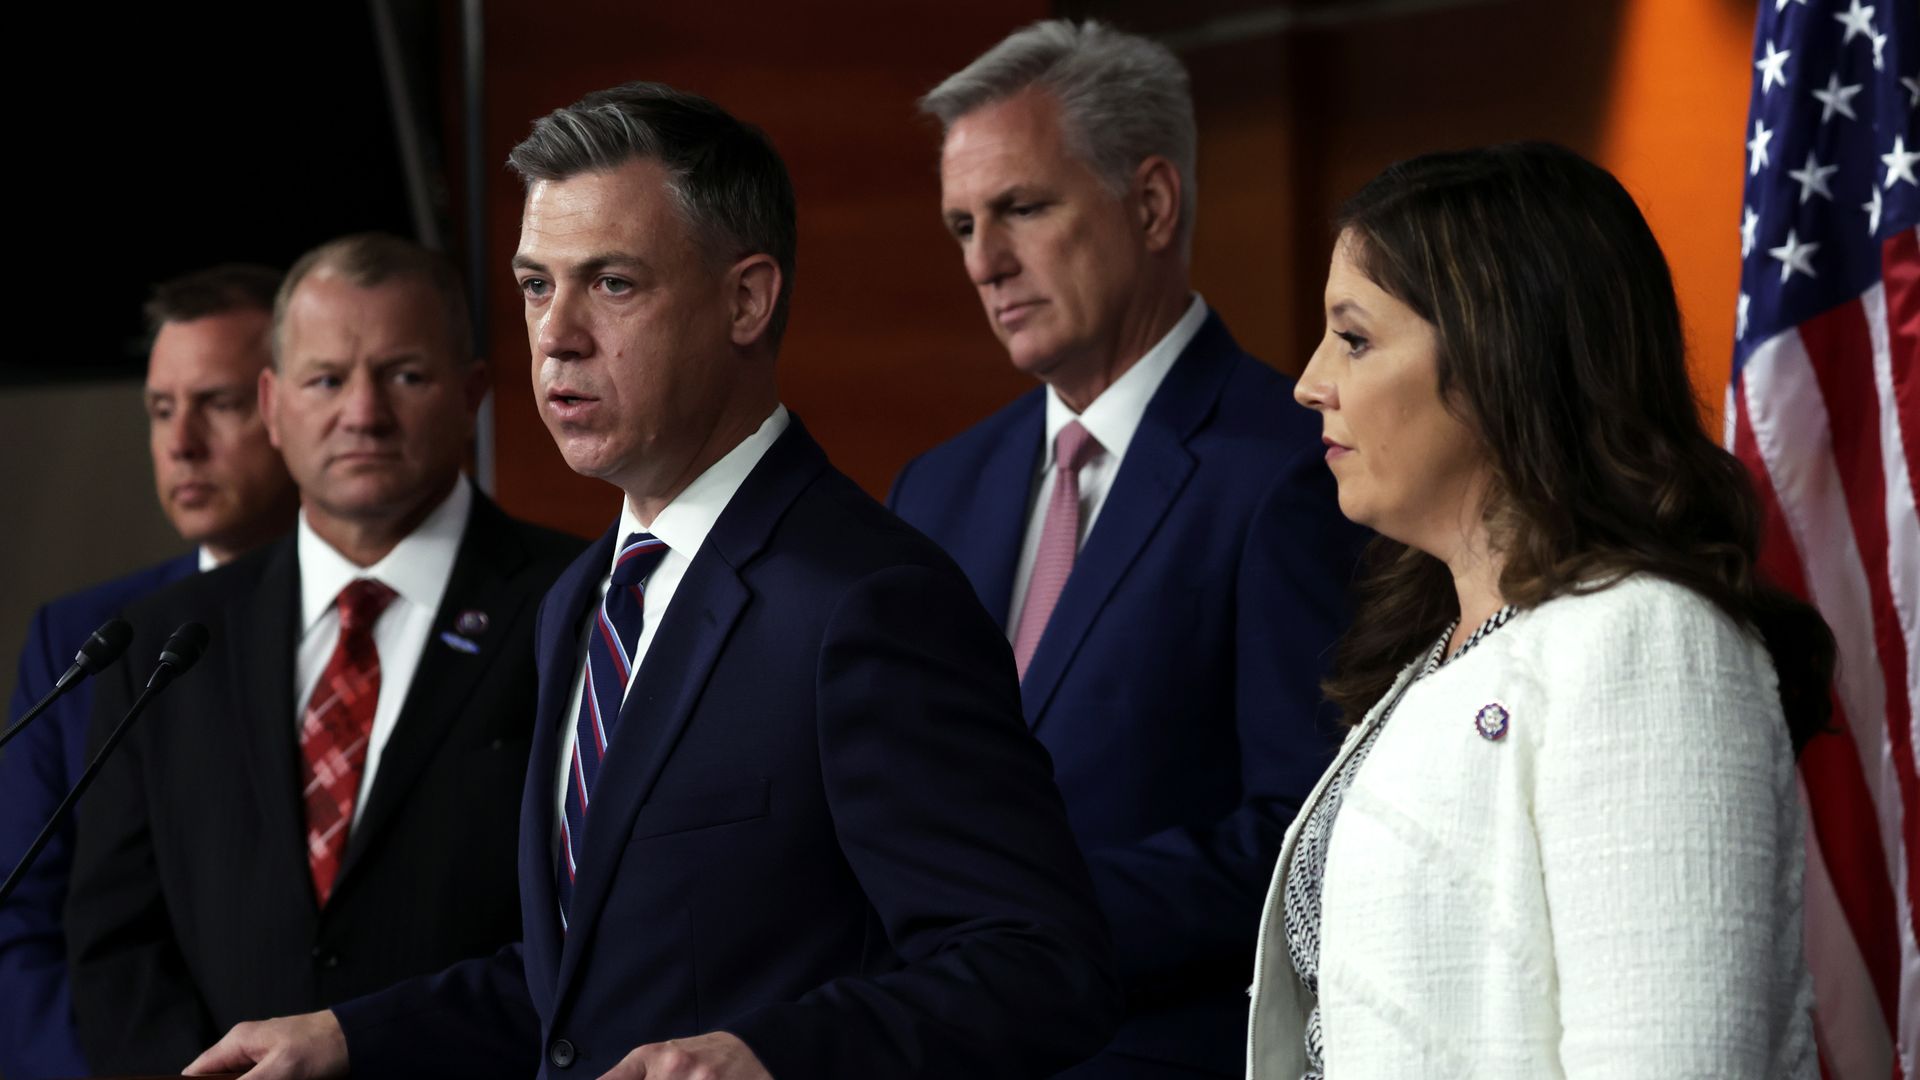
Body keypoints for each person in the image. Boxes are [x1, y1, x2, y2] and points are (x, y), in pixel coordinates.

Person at [185, 82, 1120, 1080]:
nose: (557, 335)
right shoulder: (578, 600)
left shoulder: (867, 601)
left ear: (746, 300)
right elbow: (582, 992)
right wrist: (346, 1035)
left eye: (613, 285)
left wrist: (769, 1058)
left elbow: (1038, 966)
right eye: (538, 285)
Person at [1247, 141, 1829, 1078]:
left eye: (1353, 338)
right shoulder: (1443, 653)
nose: (1311, 381)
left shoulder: (1648, 640)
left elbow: (1672, 1059)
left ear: (1499, 356)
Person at [888, 21, 1365, 1077]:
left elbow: (1310, 834)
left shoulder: (1293, 467)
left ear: (1151, 203)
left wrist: (1024, 921)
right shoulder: (935, 487)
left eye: (1021, 208)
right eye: (961, 224)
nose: (982, 262)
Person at [65, 233, 583, 1073]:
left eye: (405, 375)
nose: (363, 414)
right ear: (273, 404)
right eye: (326, 380)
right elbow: (113, 943)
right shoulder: (161, 644)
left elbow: (592, 932)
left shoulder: (579, 605)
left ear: (472, 393)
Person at [0, 263, 299, 1080]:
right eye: (161, 410)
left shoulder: (365, 624)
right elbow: (20, 917)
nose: (181, 442)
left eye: (220, 403)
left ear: (294, 406)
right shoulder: (81, 635)